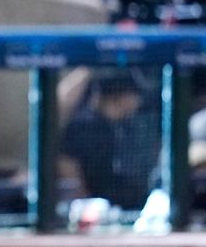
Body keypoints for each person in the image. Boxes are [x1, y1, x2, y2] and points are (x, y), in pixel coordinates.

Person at [58, 70, 160, 210]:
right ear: (120, 96)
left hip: (120, 202)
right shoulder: (84, 125)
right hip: (92, 205)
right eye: (134, 95)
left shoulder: (123, 126)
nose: (138, 101)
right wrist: (83, 200)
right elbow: (67, 162)